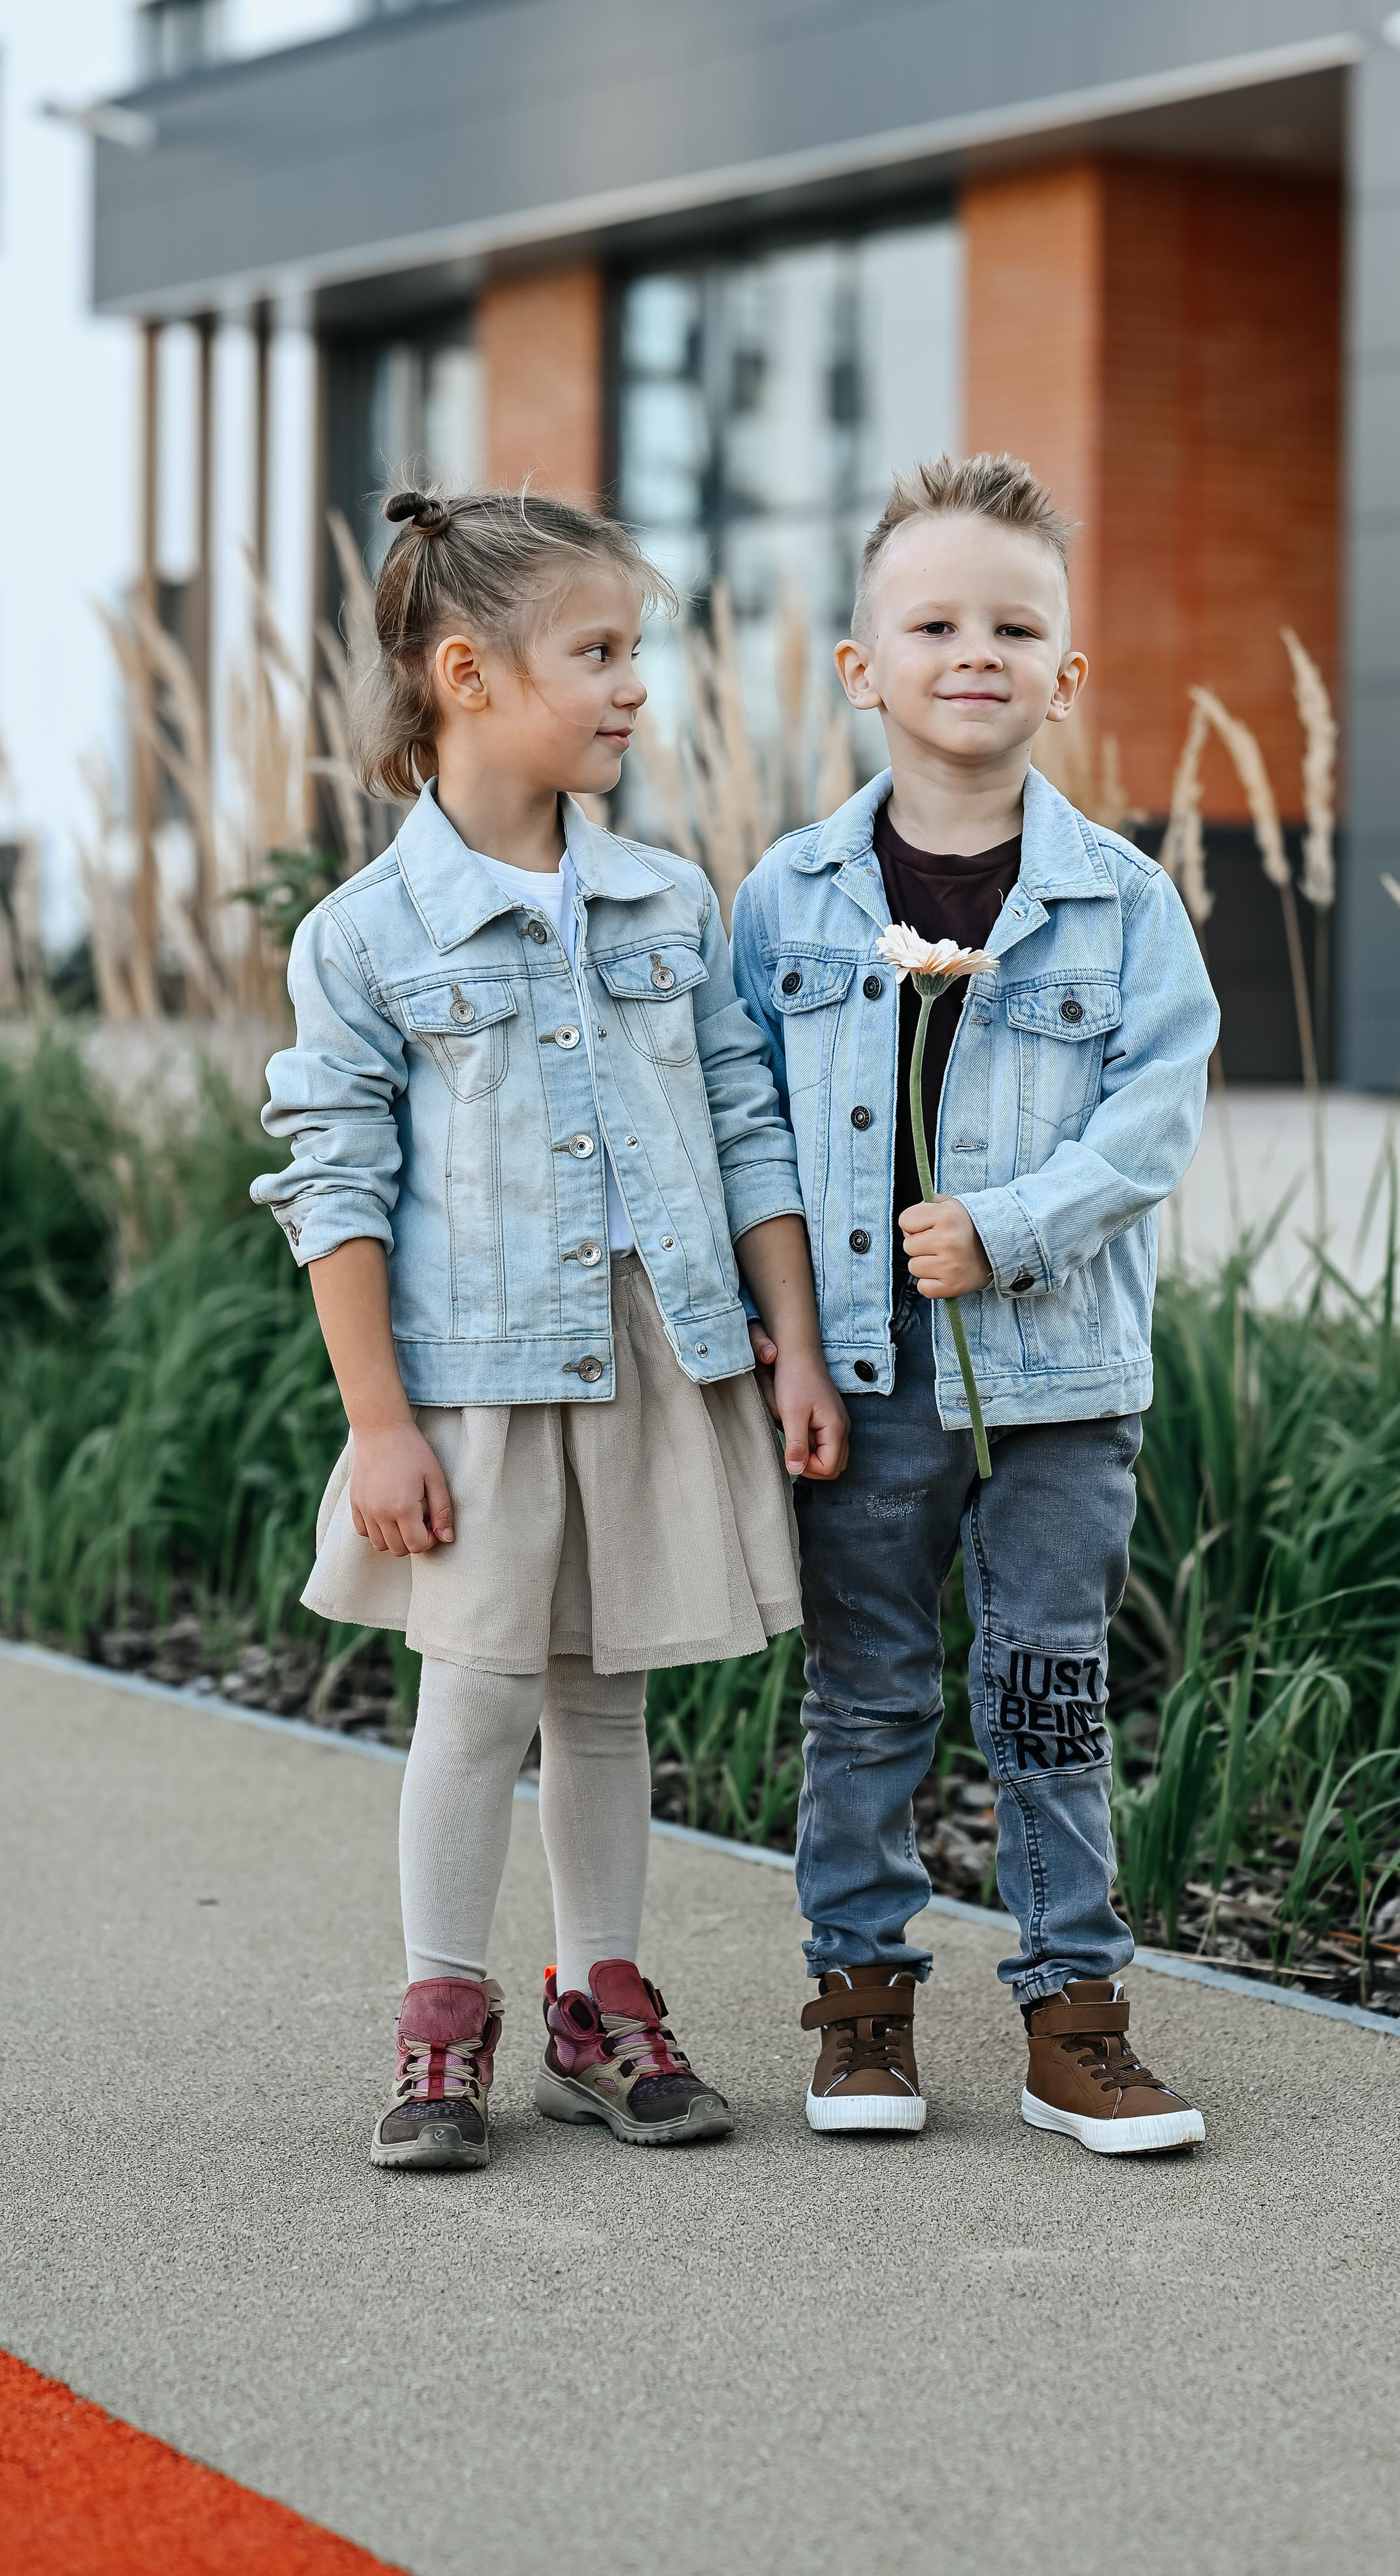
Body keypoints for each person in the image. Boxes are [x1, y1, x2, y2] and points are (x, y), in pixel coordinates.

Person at [254, 486, 848, 2171]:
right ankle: (442, 2016)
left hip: (659, 1360)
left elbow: (745, 1127)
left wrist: (792, 1342)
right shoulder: (365, 937)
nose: (632, 685)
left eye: (632, 651)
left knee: (606, 1701)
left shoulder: (668, 902)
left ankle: (601, 2006)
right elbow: (335, 1185)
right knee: (477, 1698)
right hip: (480, 1387)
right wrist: (380, 1424)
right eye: (596, 652)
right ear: (468, 674)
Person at [732, 452, 1219, 2154]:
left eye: (1012, 628)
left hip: (1057, 1381)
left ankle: (1072, 2014)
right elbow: (746, 1128)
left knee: (1048, 1692)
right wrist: (786, 1343)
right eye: (932, 623)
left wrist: (1006, 1228)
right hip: (864, 1375)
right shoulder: (787, 897)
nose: (973, 653)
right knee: (865, 1691)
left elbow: (1151, 1116)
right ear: (860, 666)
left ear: (1062, 675)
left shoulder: (1123, 902)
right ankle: (858, 1999)